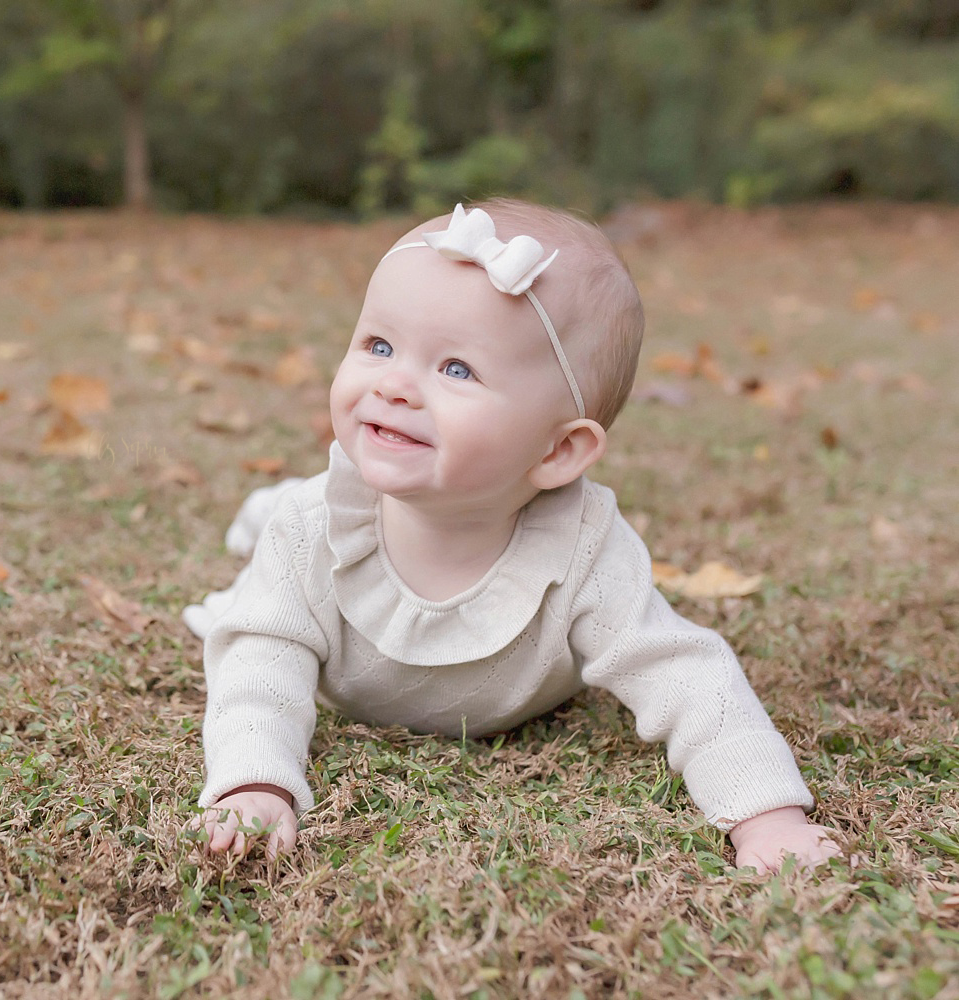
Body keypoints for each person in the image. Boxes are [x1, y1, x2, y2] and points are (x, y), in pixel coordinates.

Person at [185, 199, 843, 874]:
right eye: (379, 345)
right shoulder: (314, 529)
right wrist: (254, 781)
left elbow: (687, 676)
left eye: (457, 369)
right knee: (278, 526)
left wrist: (767, 815)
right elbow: (260, 660)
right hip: (307, 555)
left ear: (559, 452)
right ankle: (255, 514)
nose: (395, 385)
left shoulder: (586, 552)